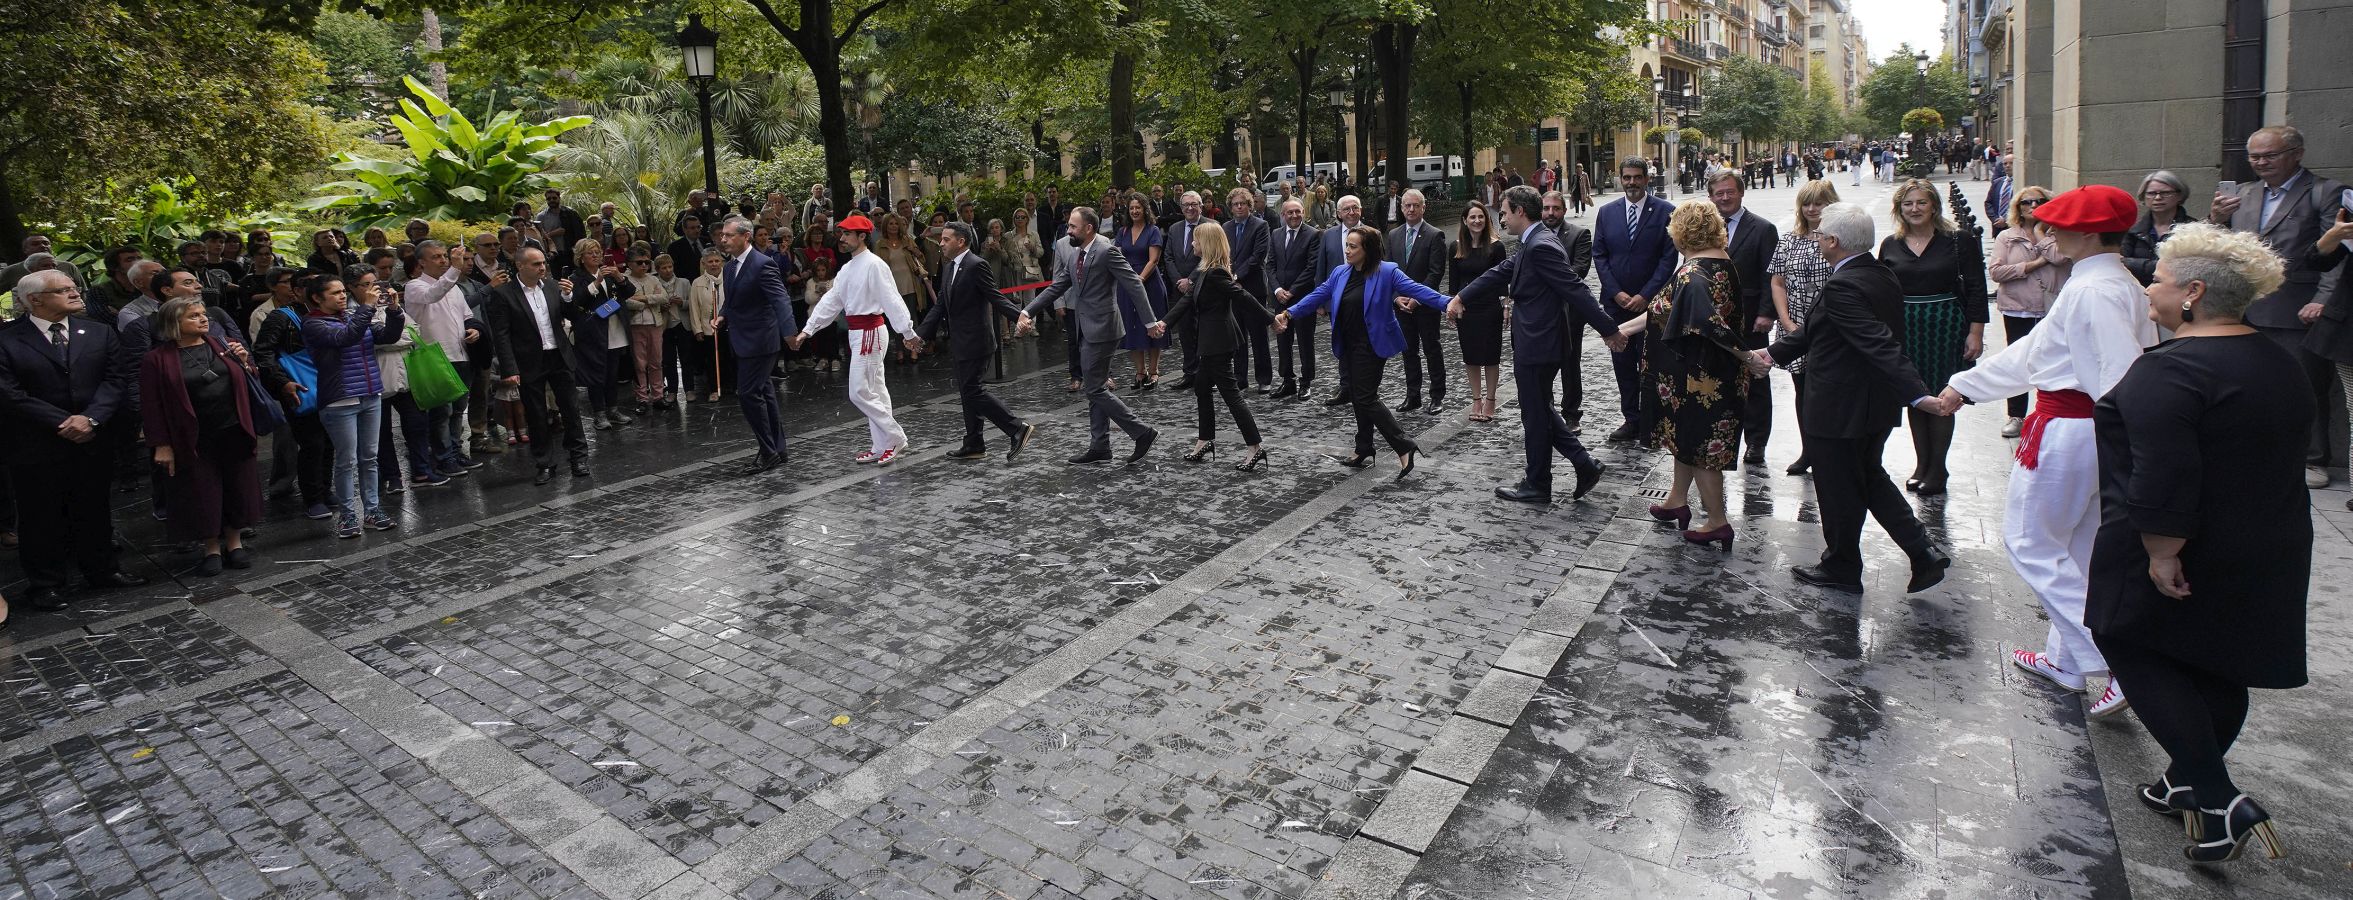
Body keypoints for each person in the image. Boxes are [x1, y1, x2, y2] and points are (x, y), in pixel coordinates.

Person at [2088, 223, 2304, 864]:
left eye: (2157, 279)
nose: (2147, 287)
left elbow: (2161, 474)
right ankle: (2187, 778)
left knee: (2122, 634)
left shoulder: (2171, 370)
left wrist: (2160, 551)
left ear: (2194, 294)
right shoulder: (2277, 358)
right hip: (2266, 538)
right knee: (2217, 658)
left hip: (2175, 541)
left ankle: (2215, 795)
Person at [1935, 184, 2162, 717]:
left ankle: (2106, 661)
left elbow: (2121, 375)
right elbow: (2034, 353)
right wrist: (1965, 386)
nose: (2046, 232)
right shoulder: (2103, 282)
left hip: (2075, 429)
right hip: (2082, 428)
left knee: (2031, 542)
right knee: (2075, 548)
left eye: (2056, 225)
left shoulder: (2096, 290)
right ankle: (2066, 659)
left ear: (2086, 233)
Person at [1751, 203, 1952, 594]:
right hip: (1871, 404)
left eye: (1821, 233)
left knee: (1838, 486)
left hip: (1841, 408)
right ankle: (1922, 551)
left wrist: (1919, 396)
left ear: (1833, 241)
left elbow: (1879, 344)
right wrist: (1772, 354)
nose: (1816, 237)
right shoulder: (1876, 273)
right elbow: (1816, 329)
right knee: (1869, 476)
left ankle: (1842, 566)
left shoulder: (1844, 283)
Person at [1452, 186, 1616, 502]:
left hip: (1540, 342)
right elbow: (1501, 271)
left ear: (1519, 213)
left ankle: (1541, 483)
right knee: (1538, 410)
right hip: (1538, 340)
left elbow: (1575, 289)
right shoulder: (1533, 241)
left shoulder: (1540, 244)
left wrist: (1609, 330)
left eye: (1503, 211)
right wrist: (1460, 296)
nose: (1499, 217)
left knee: (1536, 412)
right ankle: (1578, 466)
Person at [0, 271, 147, 613]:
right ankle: (46, 584)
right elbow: (8, 393)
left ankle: (103, 570)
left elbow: (116, 379)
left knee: (94, 507)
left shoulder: (98, 331)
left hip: (93, 437)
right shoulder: (7, 339)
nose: (75, 293)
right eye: (63, 290)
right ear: (33, 300)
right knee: (40, 516)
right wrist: (62, 421)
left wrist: (91, 418)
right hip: (36, 444)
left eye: (74, 288)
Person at [1608, 200, 1750, 547]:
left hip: (1701, 380)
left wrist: (1747, 356)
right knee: (1685, 441)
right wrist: (1621, 329)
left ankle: (1717, 521)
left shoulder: (1692, 274)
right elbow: (1664, 310)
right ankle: (1676, 499)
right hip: (1702, 377)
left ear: (1681, 232)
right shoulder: (1719, 263)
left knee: (1702, 449)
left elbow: (1707, 323)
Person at [2214, 125, 2346, 489]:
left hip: (2297, 306)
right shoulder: (2244, 193)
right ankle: (2255, 450)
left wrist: (2323, 299)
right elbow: (2227, 249)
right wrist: (2218, 221)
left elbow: (2337, 253)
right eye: (2254, 156)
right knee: (2246, 384)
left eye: (2269, 155)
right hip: (2244, 307)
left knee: (2305, 384)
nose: (2260, 162)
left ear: (2297, 153)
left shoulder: (2325, 191)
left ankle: (2313, 458)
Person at [1278, 224, 1448, 477]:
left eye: (1353, 246)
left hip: (1372, 345)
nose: (1347, 250)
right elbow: (1317, 295)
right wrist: (1290, 313)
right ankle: (1364, 447)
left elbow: (1418, 290)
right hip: (1347, 343)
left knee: (1366, 397)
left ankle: (1404, 446)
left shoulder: (1388, 272)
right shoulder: (1339, 273)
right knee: (1358, 396)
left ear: (1367, 249)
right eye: (1347, 245)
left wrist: (1450, 303)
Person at [1019, 207, 1160, 464]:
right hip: (1085, 328)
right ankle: (1100, 446)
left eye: (1073, 227)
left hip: (1104, 329)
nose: (1068, 230)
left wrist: (1149, 322)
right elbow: (1057, 287)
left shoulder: (1107, 252)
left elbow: (1134, 284)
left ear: (1088, 229)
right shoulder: (1075, 255)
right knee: (1095, 386)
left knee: (1094, 388)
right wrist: (1028, 310)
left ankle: (1142, 432)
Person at [1879, 178, 1988, 496]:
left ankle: (1938, 469)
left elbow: (1977, 287)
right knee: (1915, 396)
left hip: (1945, 324)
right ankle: (1922, 463)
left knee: (1943, 397)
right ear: (1899, 209)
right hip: (1906, 328)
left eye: (1921, 202)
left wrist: (1976, 332)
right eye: (1908, 204)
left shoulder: (1958, 240)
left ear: (1934, 206)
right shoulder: (1890, 244)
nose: (1914, 209)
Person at [138, 296, 262, 574]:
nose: (203, 319)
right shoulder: (157, 359)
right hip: (191, 437)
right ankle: (211, 548)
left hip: (232, 429)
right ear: (174, 323)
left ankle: (235, 543)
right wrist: (161, 444)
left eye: (203, 314)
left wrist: (244, 364)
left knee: (237, 486)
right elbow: (151, 405)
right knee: (202, 491)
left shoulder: (222, 346)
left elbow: (249, 383)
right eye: (193, 316)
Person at [791, 214, 921, 465]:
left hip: (870, 331)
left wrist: (907, 332)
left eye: (848, 234)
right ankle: (881, 444)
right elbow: (831, 300)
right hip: (858, 332)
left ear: (862, 236)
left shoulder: (874, 264)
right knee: (875, 391)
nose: (842, 238)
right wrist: (809, 329)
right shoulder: (848, 268)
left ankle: (895, 437)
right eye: (842, 234)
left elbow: (891, 299)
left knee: (859, 391)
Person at [1147, 223, 1273, 469]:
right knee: (1202, 388)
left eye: (1195, 240)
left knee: (1231, 396)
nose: (1192, 244)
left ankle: (1255, 447)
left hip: (1219, 341)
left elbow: (1242, 296)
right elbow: (1186, 300)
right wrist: (1164, 322)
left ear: (1206, 244)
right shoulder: (1204, 270)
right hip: (1211, 340)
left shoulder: (1216, 272)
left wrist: (1271, 318)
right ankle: (1204, 441)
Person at [300, 268, 405, 539]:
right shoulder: (313, 324)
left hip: (370, 393)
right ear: (317, 298)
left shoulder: (353, 315)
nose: (342, 297)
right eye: (335, 293)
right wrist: (367, 308)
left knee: (369, 457)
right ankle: (348, 516)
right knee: (346, 460)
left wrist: (394, 311)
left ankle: (372, 510)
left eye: (343, 292)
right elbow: (344, 338)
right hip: (339, 400)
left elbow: (387, 336)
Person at [921, 223, 1036, 462]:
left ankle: (1016, 428)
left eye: (945, 239)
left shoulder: (976, 265)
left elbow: (995, 297)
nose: (940, 243)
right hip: (961, 341)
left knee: (973, 390)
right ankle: (974, 443)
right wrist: (919, 334)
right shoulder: (949, 266)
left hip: (977, 341)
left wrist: (1020, 316)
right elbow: (941, 305)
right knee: (967, 392)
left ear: (960, 242)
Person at [485, 248, 593, 485]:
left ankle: (579, 458)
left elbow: (573, 314)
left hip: (559, 356)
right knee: (536, 414)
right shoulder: (503, 294)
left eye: (543, 263)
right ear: (520, 266)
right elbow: (501, 335)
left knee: (571, 410)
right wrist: (510, 368)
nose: (542, 267)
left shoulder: (554, 286)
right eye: (535, 264)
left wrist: (567, 297)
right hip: (528, 360)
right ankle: (544, 463)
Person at [1593, 158, 1680, 442]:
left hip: (1651, 305)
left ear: (1646, 179)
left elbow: (1669, 258)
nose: (1631, 182)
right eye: (1627, 177)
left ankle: (1651, 422)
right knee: (1622, 363)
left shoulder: (1666, 212)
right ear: (1620, 178)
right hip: (1615, 304)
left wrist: (1646, 295)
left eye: (1637, 177)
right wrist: (1616, 291)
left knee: (1650, 363)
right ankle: (1631, 418)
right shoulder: (1607, 212)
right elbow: (1600, 255)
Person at [1706, 169, 1781, 466]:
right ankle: (1718, 437)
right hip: (1713, 319)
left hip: (1750, 318)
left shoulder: (1762, 229)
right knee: (1716, 378)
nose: (1724, 198)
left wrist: (1766, 313)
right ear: (1710, 196)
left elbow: (1771, 275)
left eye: (1729, 192)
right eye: (1718, 193)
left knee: (1755, 379)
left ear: (1741, 192)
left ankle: (1756, 442)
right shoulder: (1706, 228)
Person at [712, 216, 799, 473]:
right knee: (763, 392)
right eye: (722, 235)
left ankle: (768, 452)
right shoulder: (729, 268)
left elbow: (780, 300)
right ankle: (777, 448)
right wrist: (723, 315)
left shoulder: (763, 264)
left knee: (748, 394)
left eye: (729, 235)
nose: (723, 239)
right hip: (741, 338)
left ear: (745, 237)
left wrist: (790, 334)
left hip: (761, 341)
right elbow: (734, 299)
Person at [1986, 185, 2070, 437]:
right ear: (2018, 208)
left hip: (2052, 308)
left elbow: (2059, 258)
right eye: (2026, 203)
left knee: (2056, 361)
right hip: (2018, 308)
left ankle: (2053, 413)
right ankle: (2016, 415)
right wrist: (2032, 265)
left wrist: (2040, 232)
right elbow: (1997, 272)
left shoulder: (2059, 235)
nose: (2032, 206)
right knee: (2019, 361)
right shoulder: (2007, 237)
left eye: (2039, 201)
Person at [1770, 180, 1840, 476]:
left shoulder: (1840, 237)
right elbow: (1777, 281)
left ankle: (1832, 450)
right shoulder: (1789, 239)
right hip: (1795, 324)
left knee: (1830, 390)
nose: (1812, 209)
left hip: (1831, 327)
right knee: (1802, 391)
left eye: (1819, 203)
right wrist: (1786, 322)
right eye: (1807, 203)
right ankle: (1808, 449)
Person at [1389, 189, 1449, 412]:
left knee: (1432, 349)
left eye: (1416, 205)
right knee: (1408, 351)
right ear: (1401, 208)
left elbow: (1435, 273)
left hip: (1425, 306)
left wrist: (1417, 298)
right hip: (1402, 307)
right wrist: (1396, 298)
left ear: (1424, 207)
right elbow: (1388, 271)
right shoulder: (1393, 236)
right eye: (1407, 206)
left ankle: (1437, 396)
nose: (1411, 209)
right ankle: (1413, 395)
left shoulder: (1435, 235)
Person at [1450, 201, 1507, 423]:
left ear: (1487, 220)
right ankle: (1476, 399)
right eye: (1472, 217)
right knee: (1471, 357)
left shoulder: (1496, 246)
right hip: (1467, 310)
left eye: (1481, 217)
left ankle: (1491, 399)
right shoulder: (1455, 247)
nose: (1477, 221)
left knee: (1491, 357)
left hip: (1490, 307)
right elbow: (1454, 284)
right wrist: (1453, 305)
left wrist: (1505, 306)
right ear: (1465, 220)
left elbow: (1503, 281)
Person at [1266, 198, 1322, 401]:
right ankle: (1287, 380)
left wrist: (1292, 290)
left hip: (1303, 298)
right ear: (1283, 215)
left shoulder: (1313, 235)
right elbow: (1270, 265)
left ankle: (1306, 381)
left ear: (1303, 212)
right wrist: (1277, 289)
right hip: (1280, 298)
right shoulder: (1276, 234)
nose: (1294, 216)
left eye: (1298, 211)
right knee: (1283, 340)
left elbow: (1311, 267)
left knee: (1305, 341)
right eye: (1289, 212)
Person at [1115, 193, 1171, 389]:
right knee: (1131, 327)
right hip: (1127, 284)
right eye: (1131, 208)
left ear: (1145, 209)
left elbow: (1153, 260)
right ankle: (1140, 371)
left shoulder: (1153, 230)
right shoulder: (1122, 232)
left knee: (1152, 326)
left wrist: (1139, 279)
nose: (1135, 211)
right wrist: (1127, 279)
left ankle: (1154, 371)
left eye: (1138, 207)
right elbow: (1118, 256)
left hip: (1149, 283)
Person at [1224, 189, 1275, 394]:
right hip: (1232, 289)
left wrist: (1237, 276)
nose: (1239, 207)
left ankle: (1264, 378)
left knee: (1258, 335)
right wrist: (1228, 277)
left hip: (1253, 287)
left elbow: (1258, 256)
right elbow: (1222, 254)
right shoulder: (1225, 227)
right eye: (1235, 204)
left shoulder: (1261, 226)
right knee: (1238, 336)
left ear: (1249, 205)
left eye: (1242, 204)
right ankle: (1240, 378)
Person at [1162, 192, 1214, 392]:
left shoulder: (1210, 226)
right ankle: (1190, 372)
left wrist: (1191, 279)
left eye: (1194, 204)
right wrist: (1179, 281)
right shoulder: (1175, 228)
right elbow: (1168, 257)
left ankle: (1208, 374)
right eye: (1185, 205)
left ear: (1201, 206)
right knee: (1185, 333)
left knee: (1205, 332)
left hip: (1203, 286)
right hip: (1180, 290)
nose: (1189, 209)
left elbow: (1210, 257)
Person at [622, 250, 680, 412]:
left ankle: (658, 396)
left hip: (655, 325)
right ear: (629, 264)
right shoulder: (624, 280)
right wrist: (648, 301)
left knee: (656, 361)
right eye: (639, 262)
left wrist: (642, 298)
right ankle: (641, 397)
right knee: (639, 363)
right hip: (635, 326)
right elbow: (625, 302)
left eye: (647, 262)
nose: (644, 265)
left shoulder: (653, 279)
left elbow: (664, 298)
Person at [2122, 170, 2196, 286]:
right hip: (2141, 293)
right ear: (2143, 197)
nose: (2158, 198)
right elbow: (2121, 263)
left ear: (2179, 196)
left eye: (2165, 193)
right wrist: (2162, 266)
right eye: (2151, 193)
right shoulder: (2133, 230)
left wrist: (2136, 265)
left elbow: (2186, 269)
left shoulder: (2193, 229)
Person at [686, 249, 731, 403]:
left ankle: (731, 386)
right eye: (710, 261)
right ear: (704, 264)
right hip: (708, 328)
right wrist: (697, 329)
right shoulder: (698, 283)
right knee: (712, 360)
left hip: (729, 326)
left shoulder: (730, 278)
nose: (714, 264)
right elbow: (694, 307)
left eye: (717, 261)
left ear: (722, 262)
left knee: (730, 357)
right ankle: (713, 389)